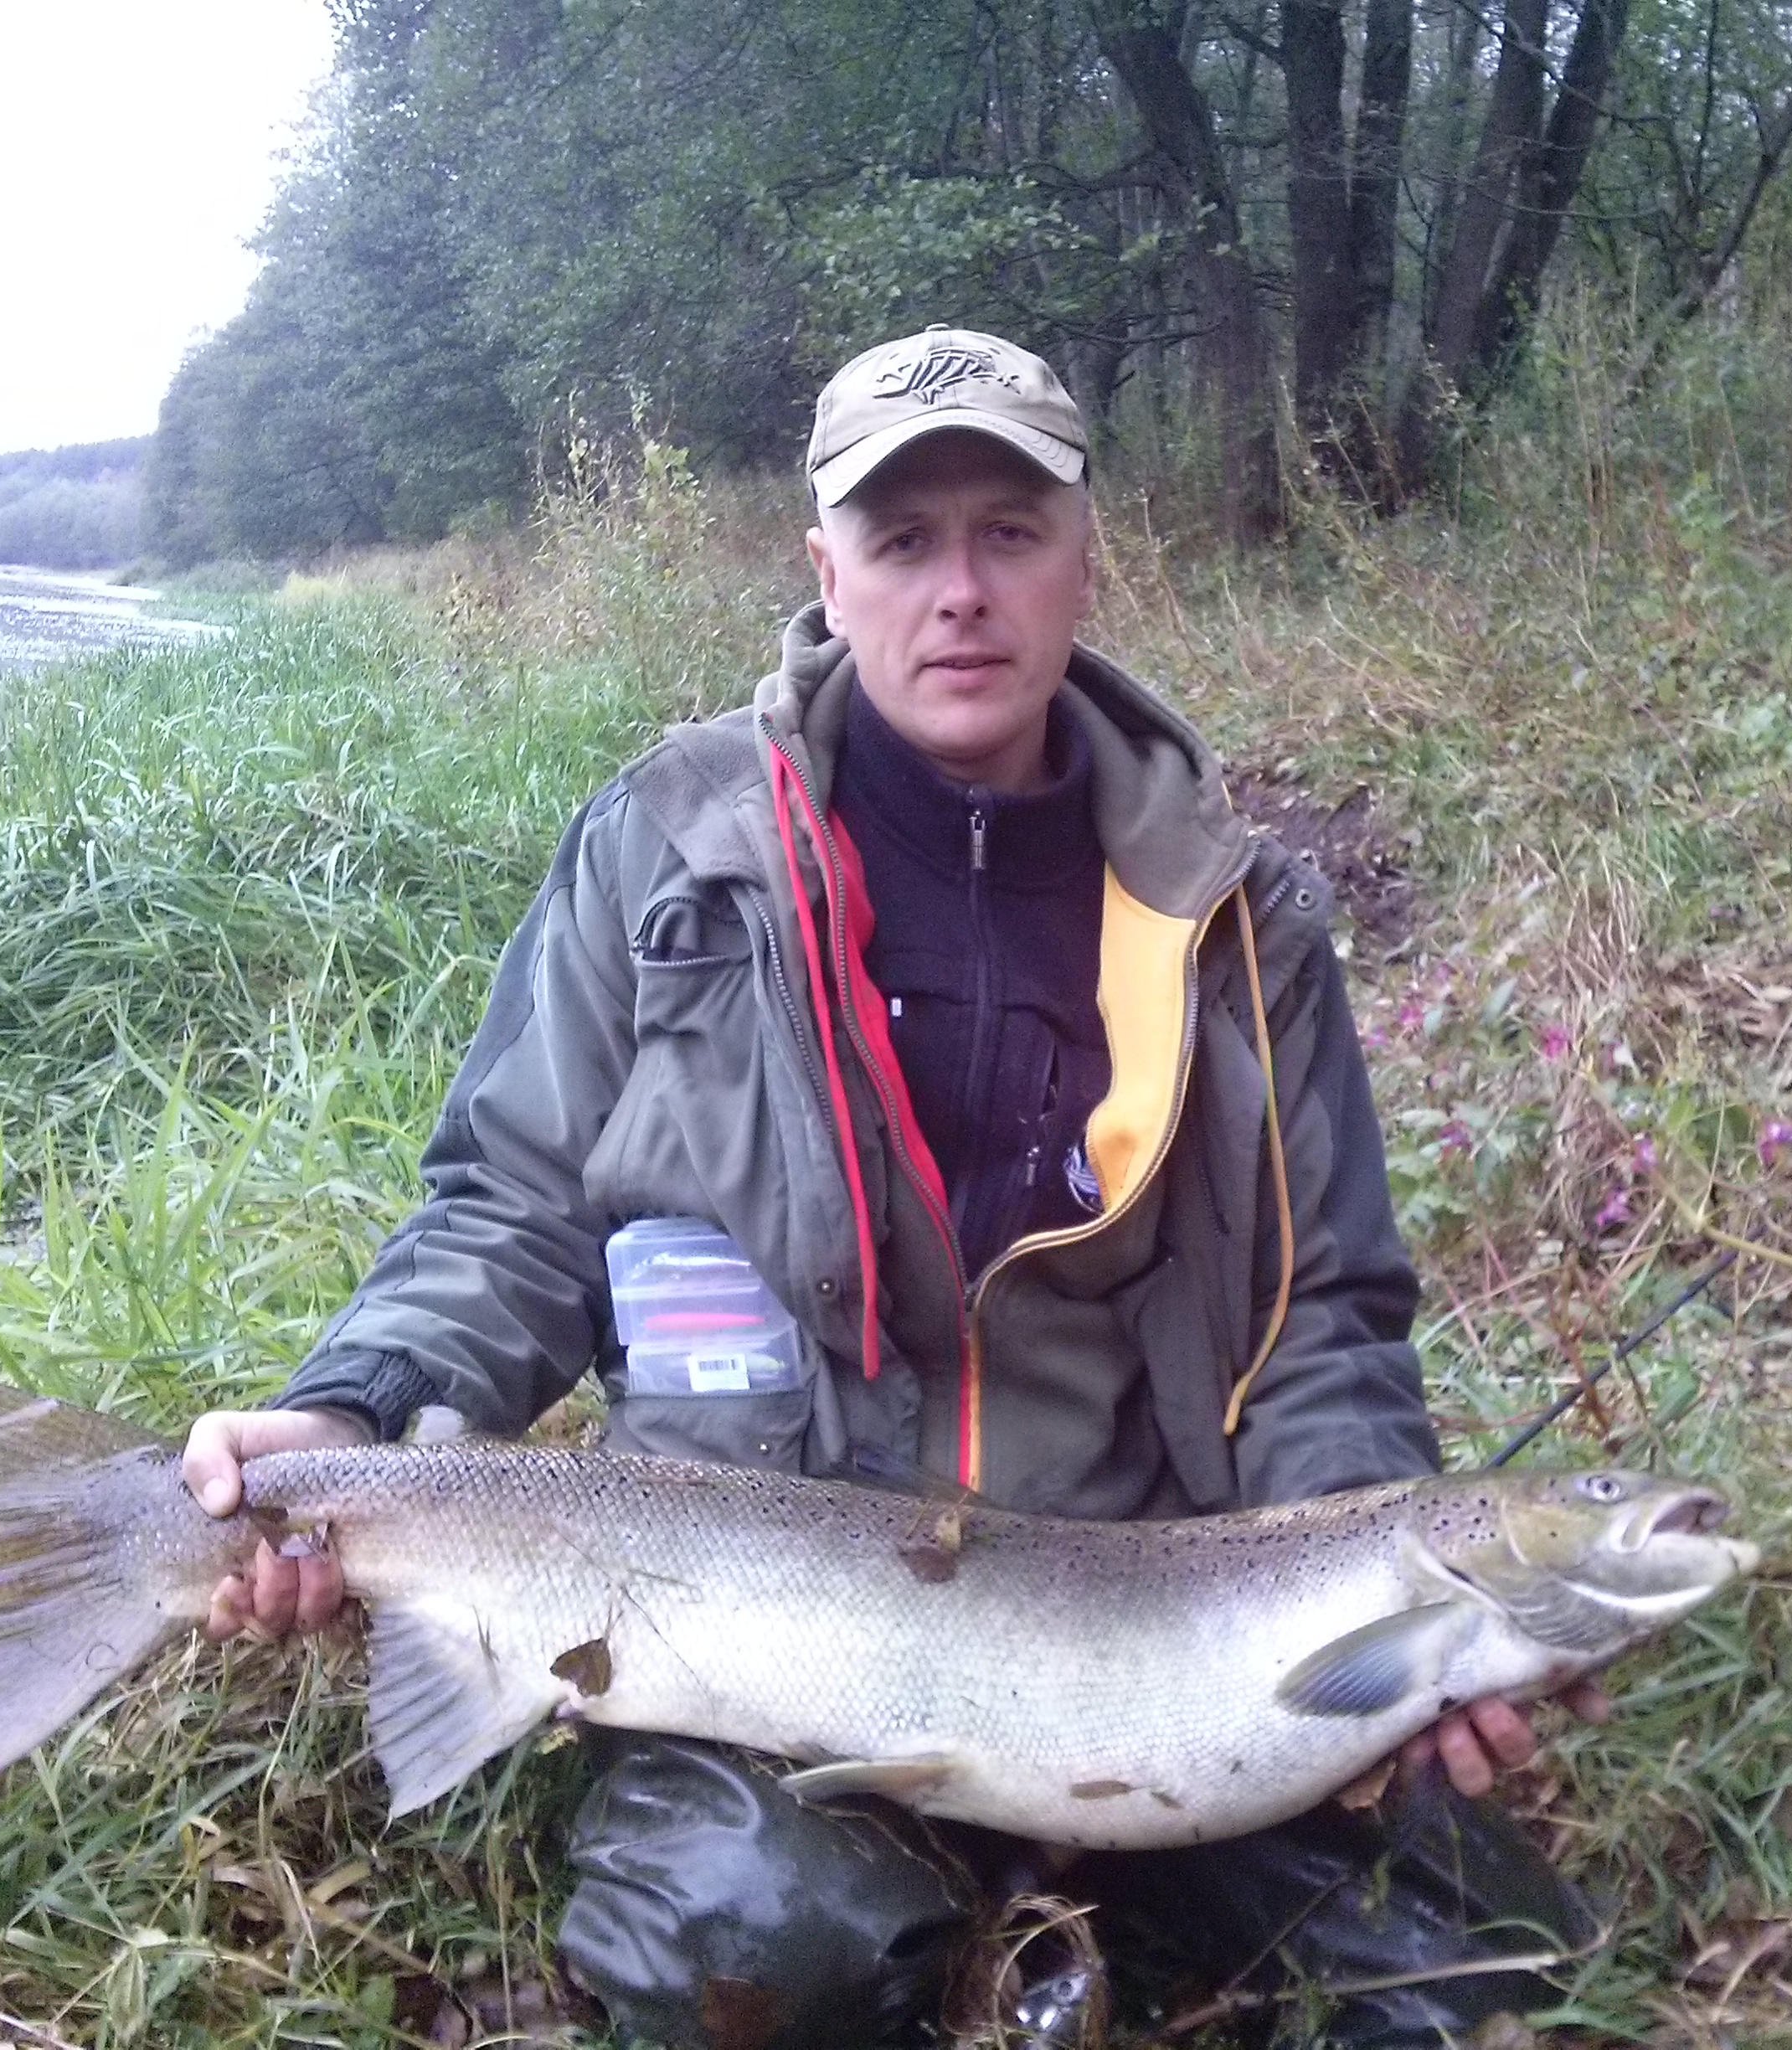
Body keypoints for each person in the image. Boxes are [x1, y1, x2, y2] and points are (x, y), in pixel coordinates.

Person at [182, 326, 1604, 2047]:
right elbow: (514, 1209)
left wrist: (1394, 1610)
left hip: (1130, 1619)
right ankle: (905, 1912)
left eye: (1010, 532)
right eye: (905, 539)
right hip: (741, 1638)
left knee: (1491, 1971)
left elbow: (1319, 1327)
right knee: (767, 1958)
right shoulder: (667, 852)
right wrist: (349, 1405)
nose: (961, 592)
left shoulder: (1243, 926)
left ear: (1086, 556)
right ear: (827, 572)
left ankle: (1079, 1891)